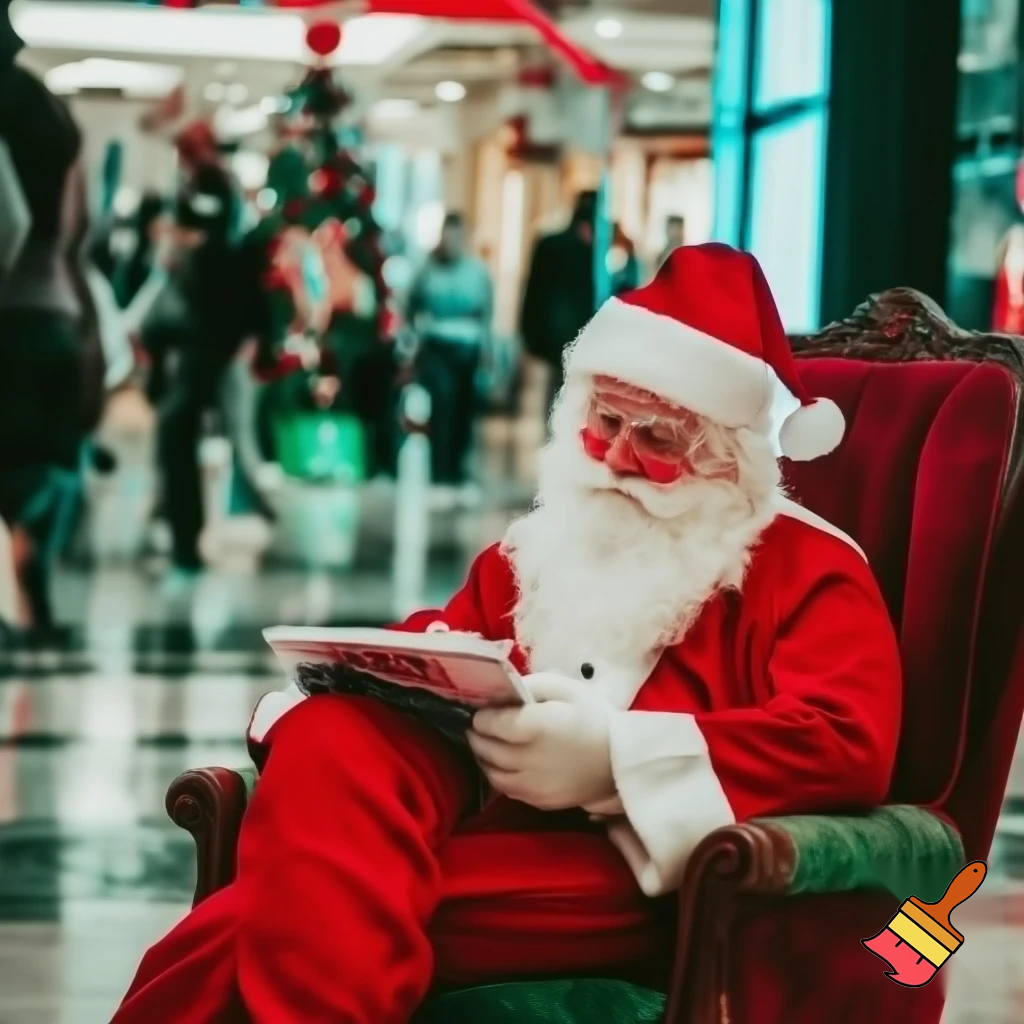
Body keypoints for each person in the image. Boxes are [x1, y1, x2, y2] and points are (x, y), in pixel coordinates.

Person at [113, 244, 899, 1024]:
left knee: (266, 917)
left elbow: (843, 740)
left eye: (658, 440)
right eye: (605, 423)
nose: (618, 458)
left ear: (730, 459)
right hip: (489, 827)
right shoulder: (543, 543)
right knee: (334, 736)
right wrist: (355, 674)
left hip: (644, 872)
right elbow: (455, 645)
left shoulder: (807, 567)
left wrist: (610, 760)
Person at [0, 2, 103, 633]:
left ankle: (18, 584)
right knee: (43, 464)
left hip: (10, 318)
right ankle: (31, 590)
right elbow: (81, 225)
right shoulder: (48, 107)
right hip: (56, 311)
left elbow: (9, 221)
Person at [148, 121, 244, 575]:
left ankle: (184, 535)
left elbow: (211, 239)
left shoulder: (213, 186)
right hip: (204, 334)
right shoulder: (211, 187)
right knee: (180, 432)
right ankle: (180, 528)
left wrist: (171, 234)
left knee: (178, 430)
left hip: (209, 334)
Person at [407, 211, 493, 505]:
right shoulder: (427, 270)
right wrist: (414, 341)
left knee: (463, 412)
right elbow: (411, 305)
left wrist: (487, 354)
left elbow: (486, 316)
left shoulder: (477, 273)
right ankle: (440, 475)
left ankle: (459, 473)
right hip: (437, 348)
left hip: (468, 349)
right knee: (442, 409)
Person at [520, 190, 598, 417]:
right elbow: (536, 291)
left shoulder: (555, 245)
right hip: (565, 335)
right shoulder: (557, 246)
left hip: (567, 336)